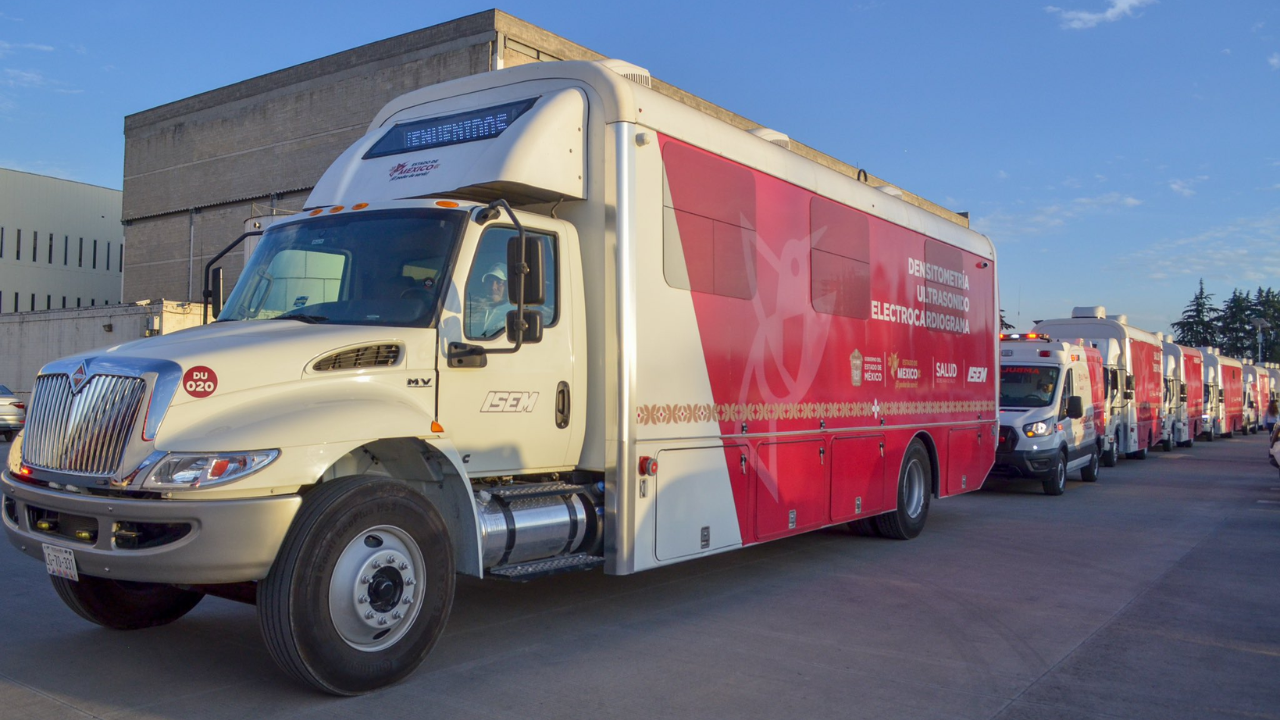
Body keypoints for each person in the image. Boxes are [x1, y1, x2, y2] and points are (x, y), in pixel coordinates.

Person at [468, 262, 514, 338]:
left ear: (507, 286)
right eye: (490, 282)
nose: (493, 287)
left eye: (499, 283)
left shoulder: (513, 313)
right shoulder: (476, 311)